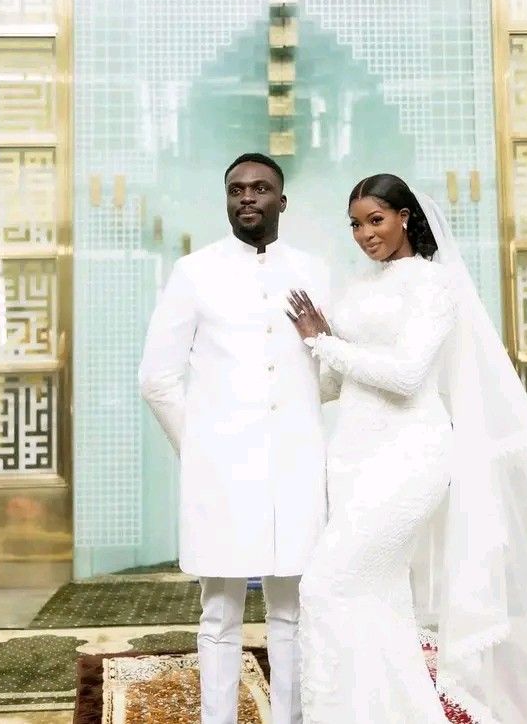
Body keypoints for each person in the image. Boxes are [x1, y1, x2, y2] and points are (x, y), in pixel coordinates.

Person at [288, 173, 527, 724]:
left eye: (376, 220)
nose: (364, 234)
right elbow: (337, 385)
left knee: (325, 585)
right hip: (355, 459)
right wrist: (301, 359)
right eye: (355, 224)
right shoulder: (358, 288)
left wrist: (323, 340)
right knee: (378, 598)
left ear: (405, 217)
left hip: (410, 458)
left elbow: (408, 376)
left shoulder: (432, 286)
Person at [139, 153, 330, 724]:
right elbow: (157, 378)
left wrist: (325, 346)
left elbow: (333, 375)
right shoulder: (194, 272)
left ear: (282, 200)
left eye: (261, 188)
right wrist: (199, 447)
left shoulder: (315, 270)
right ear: (227, 199)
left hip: (296, 463)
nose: (247, 197)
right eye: (236, 190)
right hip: (220, 469)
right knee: (219, 612)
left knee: (292, 611)